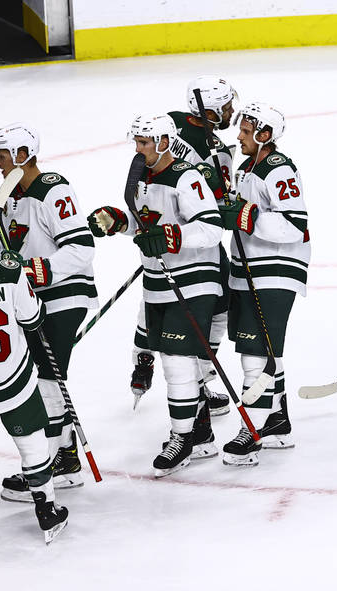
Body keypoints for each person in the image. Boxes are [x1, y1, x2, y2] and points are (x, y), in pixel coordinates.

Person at [87, 115, 224, 477]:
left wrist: (169, 238)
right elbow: (143, 223)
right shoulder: (142, 177)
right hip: (157, 280)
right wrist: (118, 222)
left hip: (192, 279)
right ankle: (203, 432)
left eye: (144, 142)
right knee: (175, 358)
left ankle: (181, 439)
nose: (138, 148)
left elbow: (211, 228)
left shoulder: (186, 176)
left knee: (177, 360)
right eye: (137, 142)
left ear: (164, 141)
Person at [0, 124, 96, 498]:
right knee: (42, 377)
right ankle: (65, 457)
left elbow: (81, 248)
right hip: (35, 299)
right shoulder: (10, 195)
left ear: (23, 154)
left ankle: (55, 465)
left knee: (45, 379)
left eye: (3, 155)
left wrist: (39, 270)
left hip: (66, 293)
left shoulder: (53, 188)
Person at [131, 77, 238, 418]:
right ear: (209, 111)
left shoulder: (171, 121)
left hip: (158, 217)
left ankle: (144, 358)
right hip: (192, 233)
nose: (231, 112)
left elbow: (144, 166)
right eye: (224, 107)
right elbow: (217, 206)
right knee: (217, 306)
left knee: (157, 296)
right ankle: (201, 380)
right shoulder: (214, 151)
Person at [218, 103, 309, 466]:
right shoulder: (247, 169)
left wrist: (243, 215)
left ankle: (252, 429)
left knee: (255, 354)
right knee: (264, 349)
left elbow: (294, 224)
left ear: (265, 135)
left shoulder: (278, 168)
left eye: (246, 130)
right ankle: (276, 420)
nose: (239, 135)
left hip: (276, 268)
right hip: (248, 268)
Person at [0, 250, 69, 543]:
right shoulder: (10, 271)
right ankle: (46, 508)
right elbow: (33, 317)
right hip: (10, 375)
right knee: (33, 445)